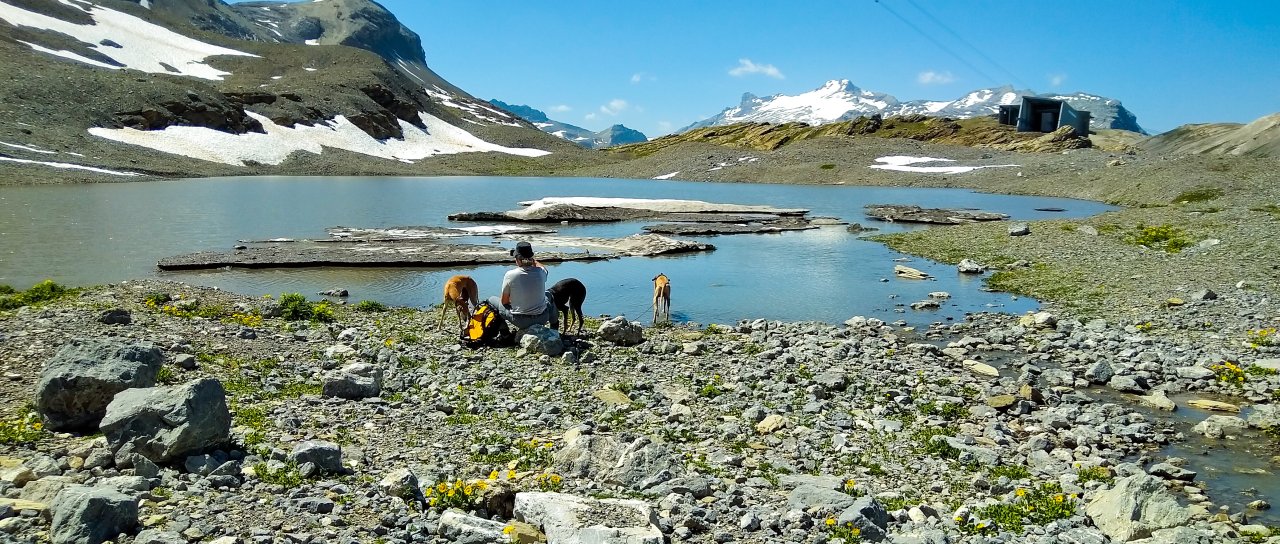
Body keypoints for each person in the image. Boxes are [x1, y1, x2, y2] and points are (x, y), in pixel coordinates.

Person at [487, 241, 558, 331]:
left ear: (517, 259)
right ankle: (554, 327)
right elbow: (544, 269)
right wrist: (533, 261)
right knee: (548, 295)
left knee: (491, 300)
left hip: (520, 321)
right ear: (531, 258)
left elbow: (504, 302)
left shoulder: (510, 275)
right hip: (542, 318)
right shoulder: (540, 272)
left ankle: (504, 333)